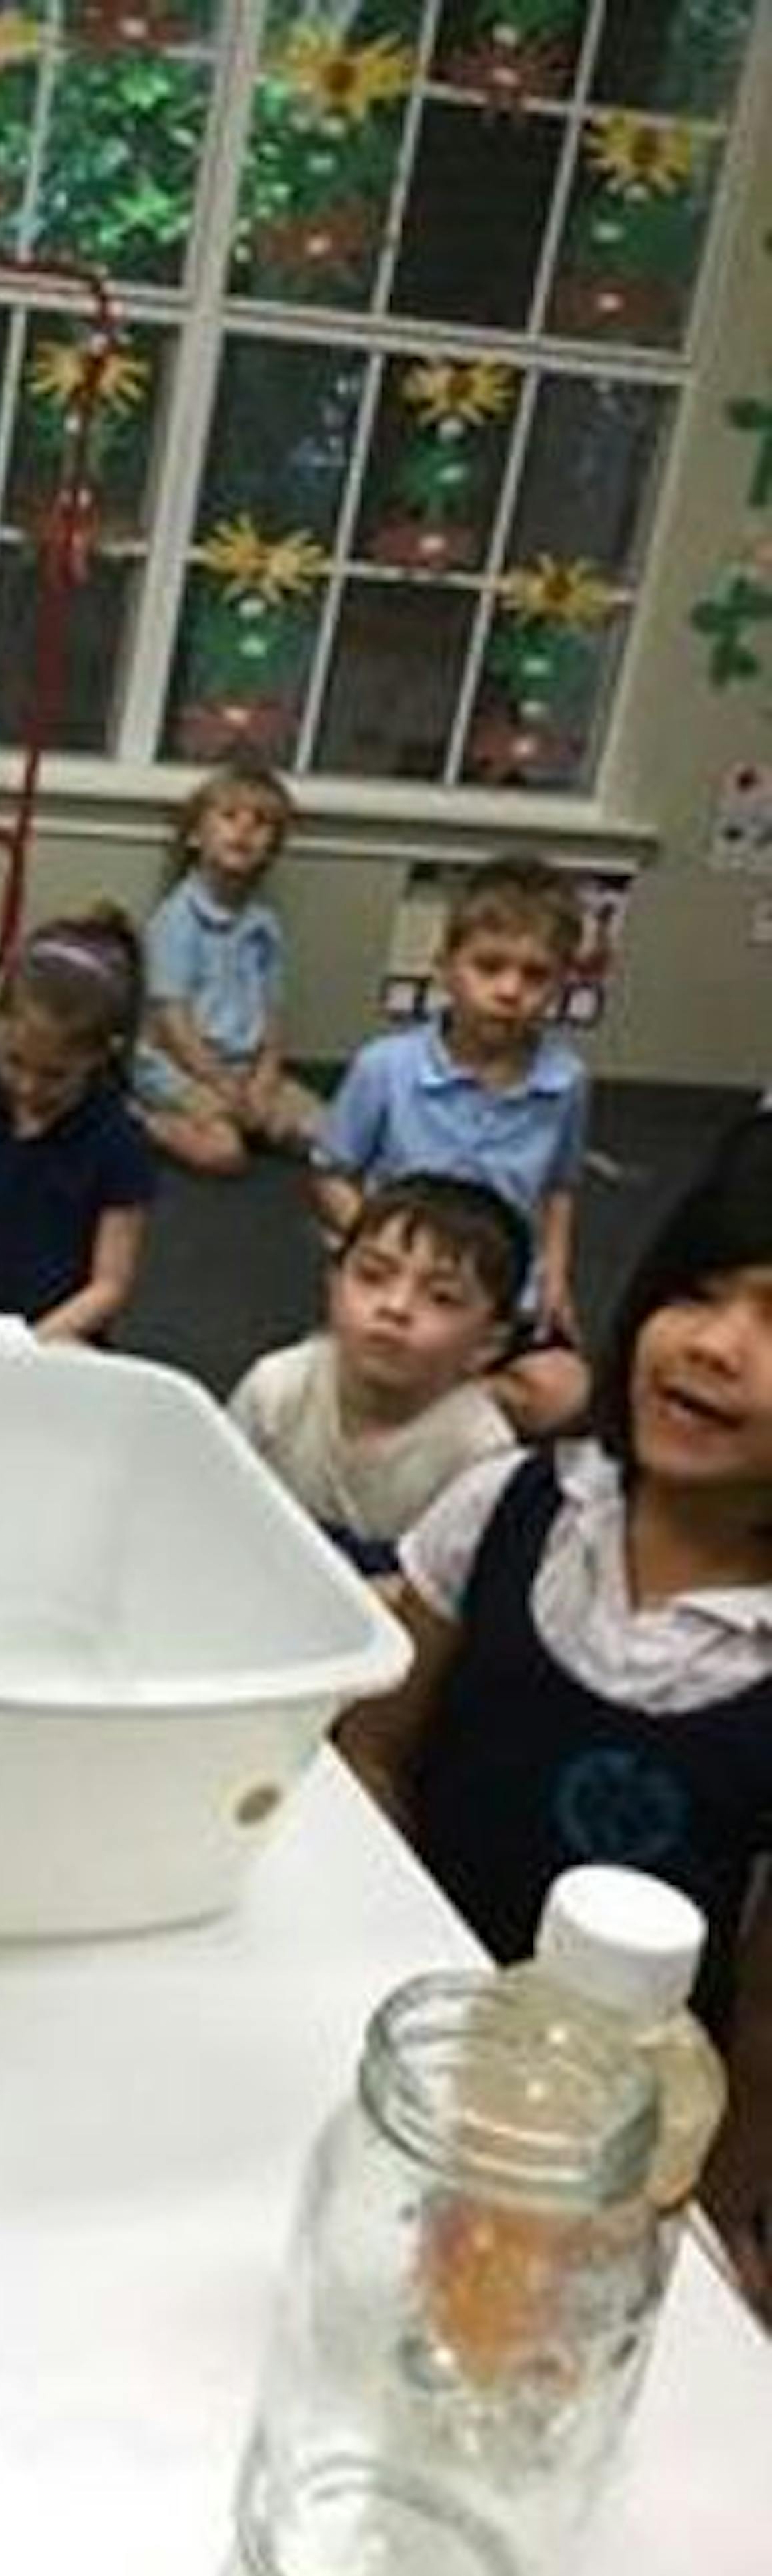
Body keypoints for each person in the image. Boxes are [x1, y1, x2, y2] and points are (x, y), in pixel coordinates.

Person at [337, 1110, 772, 2313]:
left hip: (617, 2153)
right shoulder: (518, 1504)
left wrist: (705, 2222)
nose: (715, 1346)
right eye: (697, 1293)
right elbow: (376, 1750)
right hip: (412, 2044)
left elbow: (766, 2028)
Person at [311, 855, 590, 1437]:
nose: (510, 991)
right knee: (330, 1381)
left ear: (563, 983)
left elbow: (559, 1189)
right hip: (405, 1285)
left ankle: (436, 1396)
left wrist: (556, 1277)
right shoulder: (385, 1067)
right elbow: (330, 1172)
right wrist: (381, 1245)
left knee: (570, 1391)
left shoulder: (566, 1082)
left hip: (502, 1291)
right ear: (444, 967)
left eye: (535, 976)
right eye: (489, 967)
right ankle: (433, 1396)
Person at [228, 1172, 527, 1578]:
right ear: (334, 1285)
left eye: (441, 1298)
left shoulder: (480, 1454)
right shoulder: (276, 1389)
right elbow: (213, 1501)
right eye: (372, 1276)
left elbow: (443, 1595)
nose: (395, 1307)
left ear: (488, 1344)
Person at [0, 906, 157, 1344]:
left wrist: (26, 1348)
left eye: (54, 1075)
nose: (27, 1086)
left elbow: (109, 1285)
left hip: (55, 1338)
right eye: (13, 1062)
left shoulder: (119, 1142)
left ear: (101, 1055)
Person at [135, 759, 325, 1177]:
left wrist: (265, 1078)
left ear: (272, 848)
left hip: (244, 1067)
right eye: (229, 816)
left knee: (328, 1133)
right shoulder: (176, 920)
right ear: (195, 836)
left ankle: (250, 1117)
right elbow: (173, 1024)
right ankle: (145, 1121)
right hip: (179, 1067)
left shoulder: (265, 925)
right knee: (224, 1153)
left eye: (261, 822)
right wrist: (222, 1084)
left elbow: (272, 1014)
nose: (244, 829)